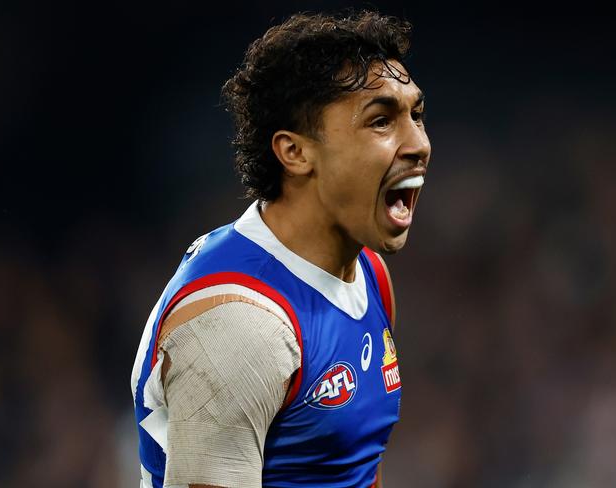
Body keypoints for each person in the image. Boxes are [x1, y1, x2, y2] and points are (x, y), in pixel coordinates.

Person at [131, 9, 431, 488]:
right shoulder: (238, 327)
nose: (418, 143)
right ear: (295, 152)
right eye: (381, 122)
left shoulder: (368, 273)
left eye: (416, 114)